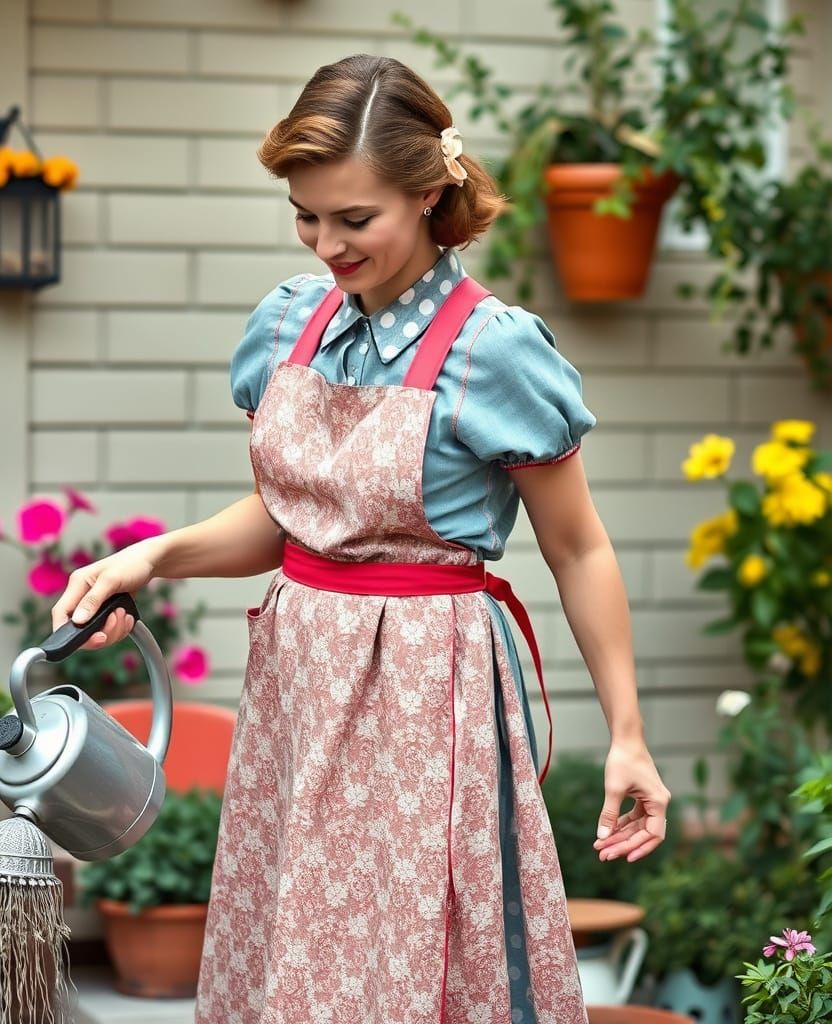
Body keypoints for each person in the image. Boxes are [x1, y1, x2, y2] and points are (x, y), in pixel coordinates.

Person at [53, 54, 670, 1024]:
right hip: (301, 685)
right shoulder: (289, 324)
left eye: (353, 218)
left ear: (429, 194)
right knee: (300, 939)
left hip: (426, 694)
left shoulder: (493, 350)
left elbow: (578, 548)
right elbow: (292, 517)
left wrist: (627, 735)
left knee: (411, 950)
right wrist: (152, 556)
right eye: (305, 216)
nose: (326, 243)